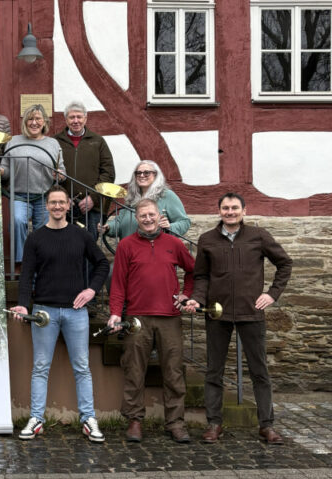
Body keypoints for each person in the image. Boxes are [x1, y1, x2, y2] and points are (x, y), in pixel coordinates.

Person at [184, 193, 293, 445]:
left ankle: (266, 425)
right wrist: (197, 299)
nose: (230, 212)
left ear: (244, 210)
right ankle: (214, 424)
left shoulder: (259, 236)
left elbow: (285, 264)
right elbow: (201, 276)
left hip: (251, 312)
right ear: (219, 211)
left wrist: (272, 294)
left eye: (235, 208)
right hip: (217, 313)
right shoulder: (207, 239)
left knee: (259, 371)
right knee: (214, 370)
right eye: (225, 208)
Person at [10, 185, 109, 442]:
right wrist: (24, 305)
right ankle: (36, 419)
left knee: (82, 367)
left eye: (61, 202)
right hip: (44, 312)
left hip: (76, 312)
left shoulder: (81, 235)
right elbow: (26, 276)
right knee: (40, 367)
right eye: (52, 202)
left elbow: (102, 264)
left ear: (68, 205)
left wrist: (91, 290)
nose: (57, 206)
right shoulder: (35, 238)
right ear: (47, 206)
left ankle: (88, 419)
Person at [107, 198, 195, 443]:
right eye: (143, 215)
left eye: (151, 215)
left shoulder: (174, 243)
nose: (147, 219)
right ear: (137, 218)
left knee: (173, 372)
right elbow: (118, 284)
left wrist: (187, 294)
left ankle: (175, 423)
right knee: (134, 370)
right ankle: (134, 420)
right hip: (137, 318)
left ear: (159, 216)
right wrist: (115, 312)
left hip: (170, 317)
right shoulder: (126, 245)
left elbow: (193, 271)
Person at [0, 104, 66, 264]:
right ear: (25, 122)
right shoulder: (13, 141)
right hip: (19, 195)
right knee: (18, 221)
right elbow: (6, 169)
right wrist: (0, 171)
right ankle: (21, 262)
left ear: (44, 122)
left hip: (45, 196)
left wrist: (60, 175)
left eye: (38, 119)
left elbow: (62, 170)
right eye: (30, 119)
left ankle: (41, 263)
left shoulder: (53, 143)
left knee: (44, 229)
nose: (34, 123)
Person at [54, 101, 115, 239]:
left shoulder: (98, 141)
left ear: (85, 118)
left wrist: (93, 197)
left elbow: (108, 173)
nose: (76, 121)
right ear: (66, 120)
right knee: (62, 245)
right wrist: (62, 197)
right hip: (62, 206)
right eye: (72, 117)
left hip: (91, 207)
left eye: (79, 117)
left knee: (88, 246)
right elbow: (49, 172)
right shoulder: (55, 142)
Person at [101, 159, 191, 242]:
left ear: (155, 175)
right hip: (129, 249)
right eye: (138, 173)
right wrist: (108, 227)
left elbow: (184, 222)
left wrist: (169, 227)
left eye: (146, 173)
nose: (142, 175)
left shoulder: (167, 195)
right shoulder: (132, 197)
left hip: (156, 249)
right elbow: (120, 222)